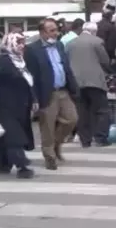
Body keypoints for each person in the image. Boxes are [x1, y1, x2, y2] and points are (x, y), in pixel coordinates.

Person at [24, 18, 78, 170]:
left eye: (56, 30)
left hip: (63, 90)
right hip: (47, 93)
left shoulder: (60, 45)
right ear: (42, 33)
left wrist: (74, 87)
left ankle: (56, 145)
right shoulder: (32, 50)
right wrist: (34, 98)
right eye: (51, 31)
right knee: (47, 126)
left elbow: (65, 67)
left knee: (71, 119)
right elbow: (31, 76)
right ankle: (49, 157)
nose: (56, 33)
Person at [0, 32, 36, 179]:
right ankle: (23, 166)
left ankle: (1, 164)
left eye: (23, 43)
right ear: (9, 44)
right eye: (18, 42)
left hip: (21, 107)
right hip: (3, 107)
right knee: (14, 137)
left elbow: (29, 83)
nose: (22, 46)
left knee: (7, 137)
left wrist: (34, 100)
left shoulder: (21, 62)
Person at [66, 21, 111, 148]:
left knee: (82, 111)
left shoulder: (70, 44)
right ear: (94, 31)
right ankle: (101, 138)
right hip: (95, 81)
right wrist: (109, 72)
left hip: (76, 83)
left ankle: (85, 140)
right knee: (101, 110)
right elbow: (105, 61)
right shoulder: (97, 41)